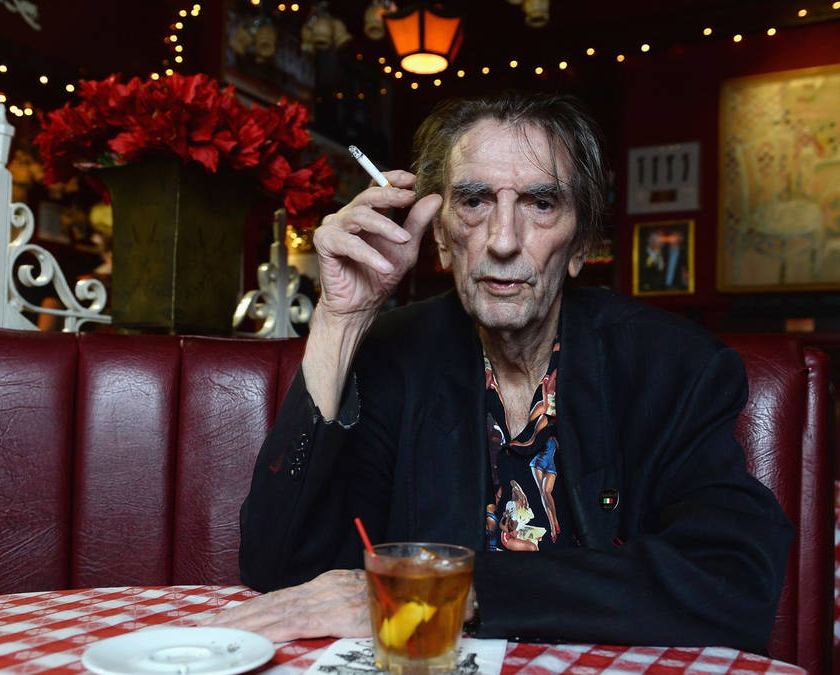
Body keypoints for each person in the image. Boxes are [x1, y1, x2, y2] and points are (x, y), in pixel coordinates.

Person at [204, 92, 792, 652]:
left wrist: (451, 592)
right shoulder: (395, 354)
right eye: (474, 201)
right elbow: (278, 568)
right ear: (439, 234)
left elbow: (732, 580)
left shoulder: (671, 366)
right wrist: (340, 320)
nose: (504, 241)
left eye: (541, 203)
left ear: (583, 242)